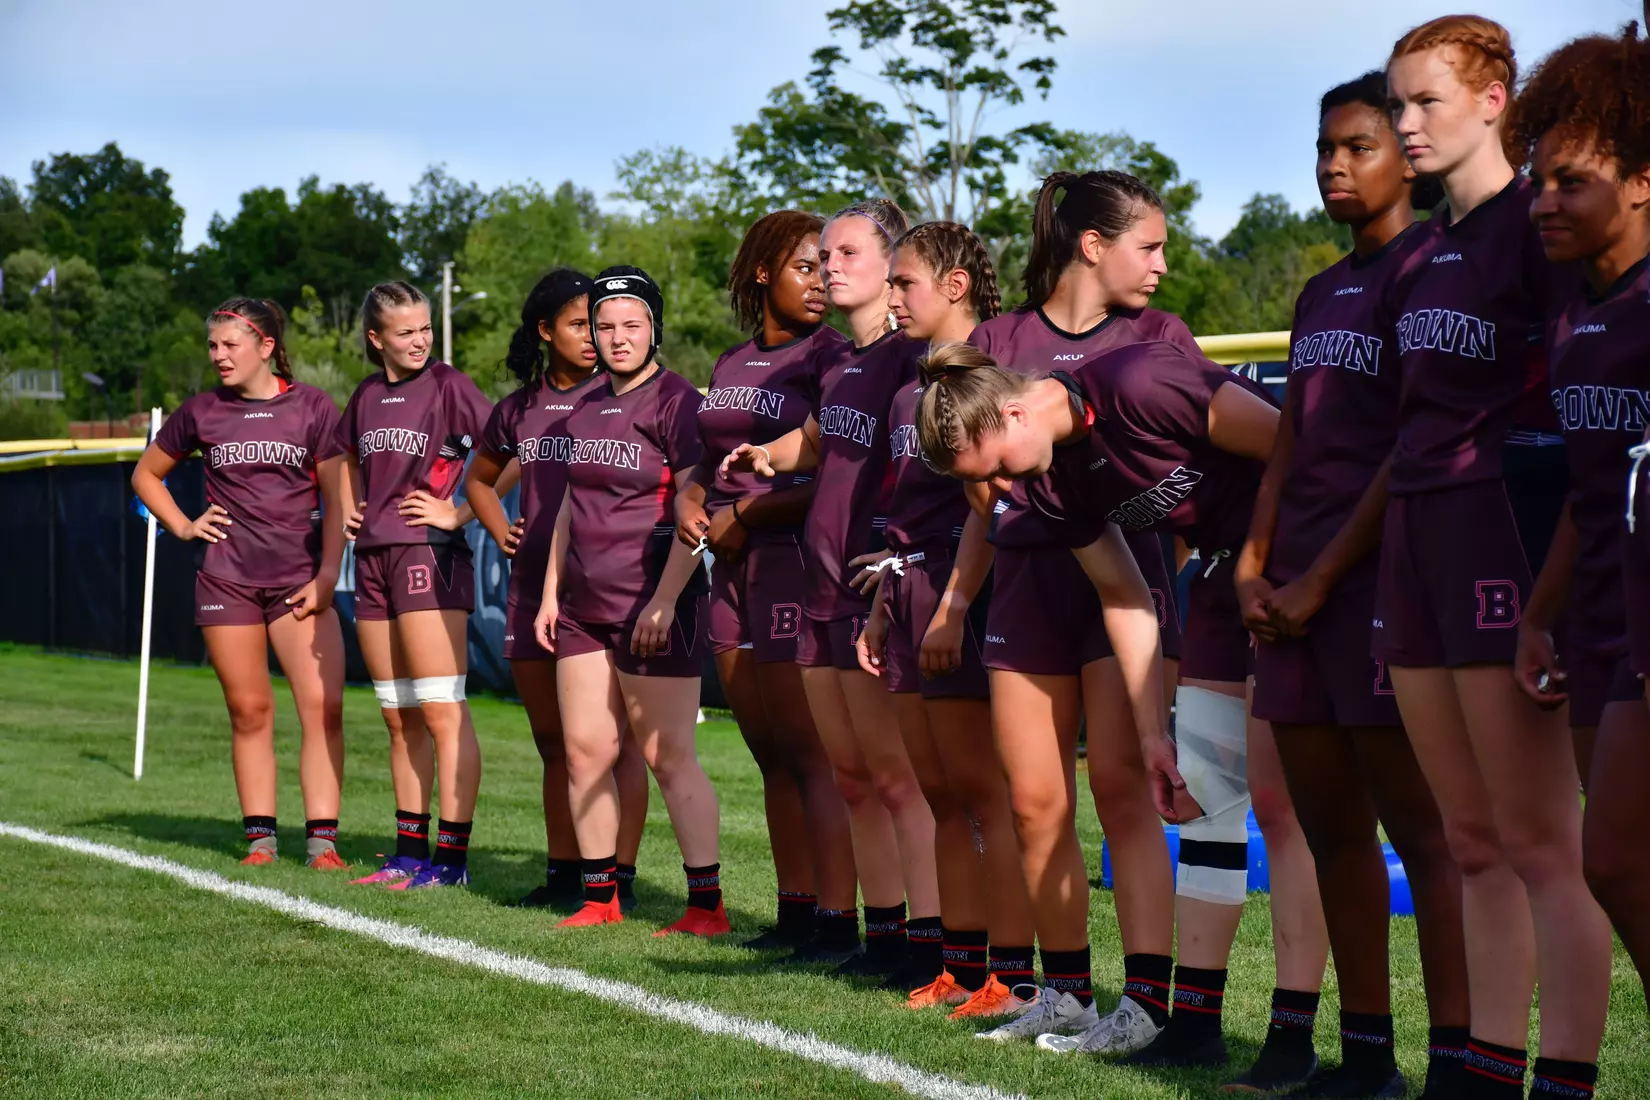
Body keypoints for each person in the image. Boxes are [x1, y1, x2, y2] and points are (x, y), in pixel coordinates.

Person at [913, 332, 1332, 1090]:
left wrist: (1269, 566)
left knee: (1282, 809)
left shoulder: (1139, 380)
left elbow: (1299, 447)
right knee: (1203, 802)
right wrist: (1151, 734)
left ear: (1014, 411)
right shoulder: (1051, 479)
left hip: (1299, 563)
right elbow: (1126, 598)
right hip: (1216, 581)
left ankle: (1297, 1034)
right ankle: (1196, 1027)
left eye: (1000, 469)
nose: (1005, 495)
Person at [1378, 16, 1613, 1099]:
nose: (1405, 124)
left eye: (1426, 101)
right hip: (1415, 528)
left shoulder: (1541, 224)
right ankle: (1479, 1067)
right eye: (1397, 104)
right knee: (1466, 836)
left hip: (1502, 527)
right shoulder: (1422, 248)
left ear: (1493, 98)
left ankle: (1562, 1073)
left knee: (1537, 839)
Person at [1236, 72, 1470, 1099]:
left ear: (1405, 157)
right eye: (1325, 147)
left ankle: (1462, 1060)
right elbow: (1293, 435)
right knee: (1329, 825)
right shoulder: (1320, 288)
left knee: (1421, 832)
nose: (1335, 164)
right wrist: (1255, 555)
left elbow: (1410, 446)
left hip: (1379, 584)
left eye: (1358, 146)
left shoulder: (1431, 269)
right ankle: (1364, 1056)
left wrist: (1324, 574)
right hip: (1291, 589)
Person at [958, 171, 1196, 1054]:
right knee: (1033, 803)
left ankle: (1147, 1000)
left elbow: (1196, 457)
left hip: (1128, 586)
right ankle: (1063, 994)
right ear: (1092, 245)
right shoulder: (1000, 337)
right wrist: (954, 598)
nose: (1163, 266)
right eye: (1151, 246)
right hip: (1029, 583)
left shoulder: (1159, 338)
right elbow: (975, 483)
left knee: (1124, 791)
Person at [720, 198, 942, 983]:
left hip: (868, 596)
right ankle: (877, 939)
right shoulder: (845, 367)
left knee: (894, 778)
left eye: (847, 252)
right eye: (822, 254)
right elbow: (816, 440)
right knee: (853, 778)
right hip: (819, 594)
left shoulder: (912, 362)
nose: (829, 265)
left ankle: (930, 943)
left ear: (894, 269)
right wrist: (763, 456)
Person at [853, 221, 1037, 1020]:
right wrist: (885, 606)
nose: (892, 299)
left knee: (985, 794)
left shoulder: (992, 376)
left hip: (967, 595)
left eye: (905, 283)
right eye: (889, 284)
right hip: (911, 593)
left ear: (955, 286)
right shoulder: (907, 389)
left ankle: (1014, 972)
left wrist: (955, 607)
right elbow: (903, 517)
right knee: (940, 795)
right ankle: (961, 970)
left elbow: (989, 504)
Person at [674, 211, 859, 955]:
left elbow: (839, 476)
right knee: (768, 753)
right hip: (729, 572)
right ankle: (793, 911)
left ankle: (837, 922)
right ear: (761, 274)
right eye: (804, 267)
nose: (820, 281)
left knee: (811, 753)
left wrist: (749, 517)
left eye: (826, 267)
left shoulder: (834, 358)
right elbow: (700, 461)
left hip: (791, 564)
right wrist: (691, 500)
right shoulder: (728, 362)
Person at [1513, 25, 1650, 1012]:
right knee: (1615, 864)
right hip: (1602, 606)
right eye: (1539, 181)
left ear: (1642, 178)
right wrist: (1539, 611)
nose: (1545, 200)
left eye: (1572, 181)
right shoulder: (1572, 309)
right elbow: (1591, 485)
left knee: (1614, 854)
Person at [534, 266, 727, 936]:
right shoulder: (582, 408)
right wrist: (550, 594)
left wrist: (667, 599)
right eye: (604, 326)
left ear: (654, 330)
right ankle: (600, 896)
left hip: (653, 606)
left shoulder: (678, 402)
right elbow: (566, 510)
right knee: (585, 751)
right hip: (583, 609)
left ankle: (707, 905)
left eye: (630, 325)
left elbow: (696, 511)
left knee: (668, 757)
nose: (616, 338)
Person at [131, 298, 348, 869]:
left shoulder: (315, 407)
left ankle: (323, 844)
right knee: (249, 711)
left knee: (322, 708)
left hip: (298, 583)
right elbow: (146, 474)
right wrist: (182, 524)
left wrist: (328, 575)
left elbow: (337, 495)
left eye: (231, 345)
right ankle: (261, 842)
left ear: (267, 347)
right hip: (227, 580)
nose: (219, 355)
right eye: (213, 346)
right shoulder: (202, 410)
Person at [465, 267, 650, 912]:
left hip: (608, 590)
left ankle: (618, 876)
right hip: (532, 594)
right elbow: (479, 480)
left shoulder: (623, 394)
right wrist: (501, 530)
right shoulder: (518, 409)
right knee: (556, 745)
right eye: (579, 324)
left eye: (599, 323)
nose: (595, 337)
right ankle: (564, 874)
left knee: (617, 743)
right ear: (546, 331)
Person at [338, 281, 493, 890]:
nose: (420, 340)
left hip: (430, 556)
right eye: (406, 332)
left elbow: (504, 448)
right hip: (373, 561)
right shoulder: (368, 393)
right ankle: (407, 852)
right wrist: (351, 504)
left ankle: (451, 860)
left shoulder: (449, 385)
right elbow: (345, 457)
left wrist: (458, 511)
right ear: (376, 339)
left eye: (425, 328)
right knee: (398, 715)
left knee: (440, 709)